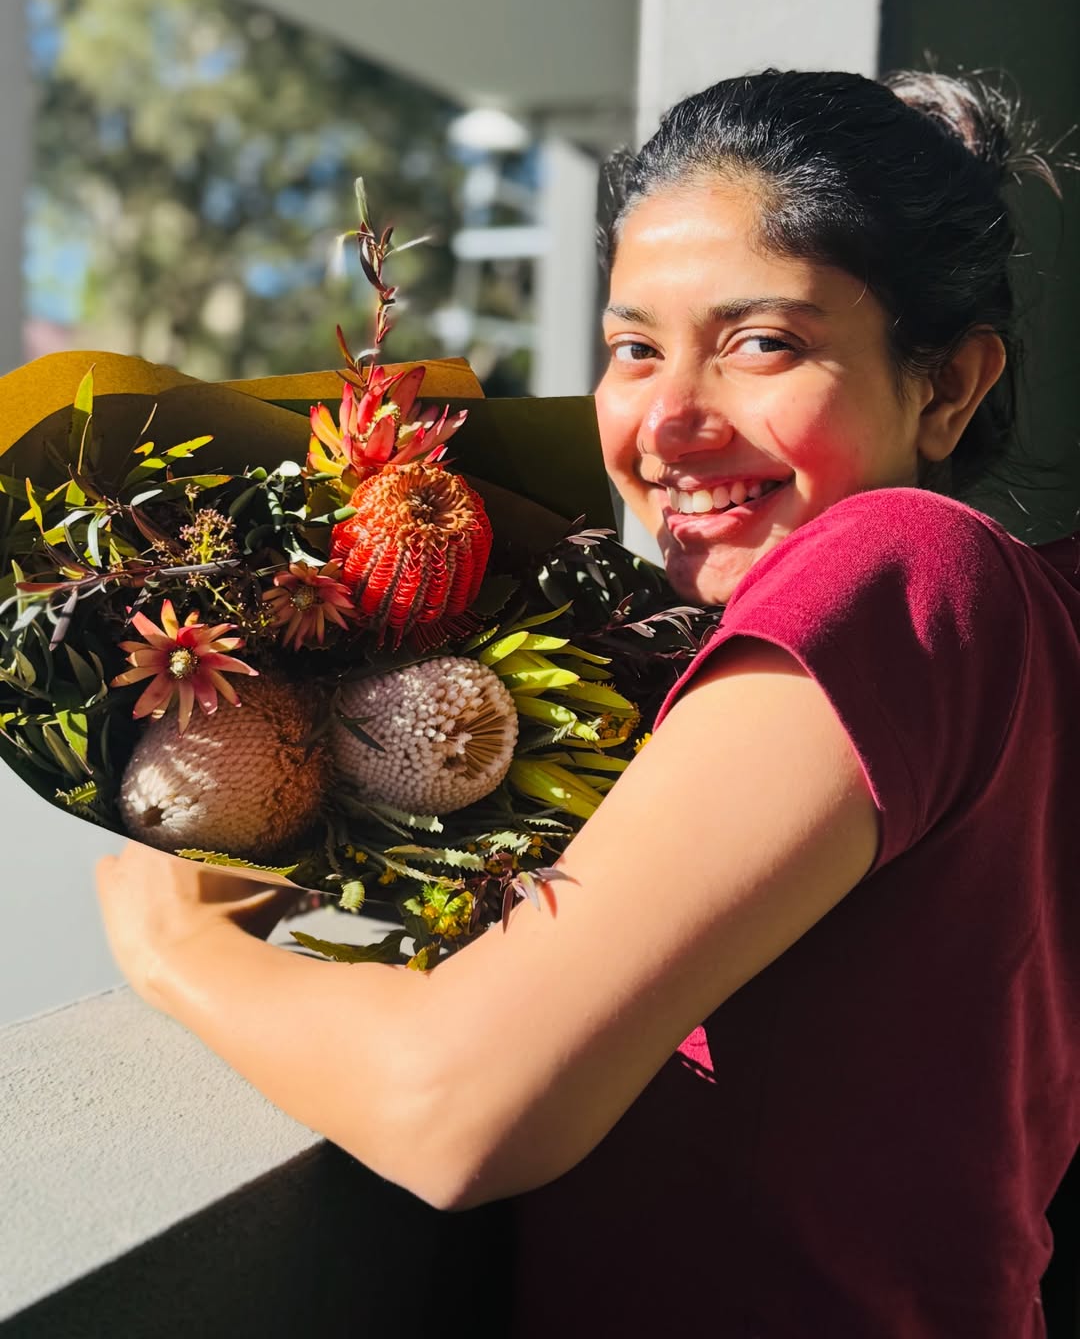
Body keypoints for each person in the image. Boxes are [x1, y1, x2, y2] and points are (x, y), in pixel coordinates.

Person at [95, 69, 1080, 1338]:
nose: (666, 422)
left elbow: (458, 1111)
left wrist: (175, 949)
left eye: (762, 343)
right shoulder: (1015, 633)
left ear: (947, 387)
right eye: (634, 349)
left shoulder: (899, 572)